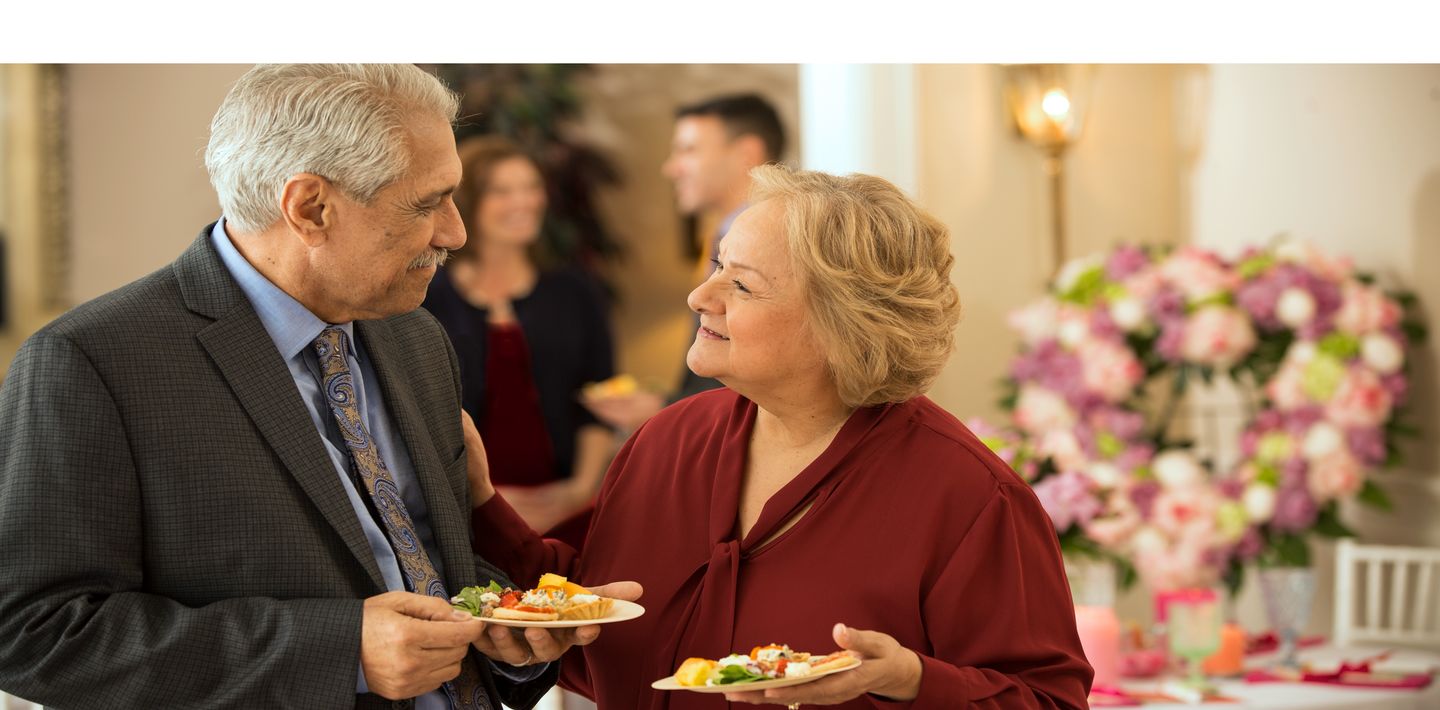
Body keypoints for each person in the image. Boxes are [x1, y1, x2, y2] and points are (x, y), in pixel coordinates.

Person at [0, 64, 635, 709]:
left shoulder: (416, 338)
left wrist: (515, 629)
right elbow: (31, 632)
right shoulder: (92, 362)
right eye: (426, 203)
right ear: (310, 207)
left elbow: (427, 560)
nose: (455, 232)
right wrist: (340, 652)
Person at [469, 165, 1094, 709]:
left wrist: (912, 682)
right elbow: (608, 624)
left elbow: (1048, 700)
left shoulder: (970, 497)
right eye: (717, 266)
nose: (698, 296)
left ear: (843, 327)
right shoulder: (667, 440)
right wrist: (480, 501)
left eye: (741, 284)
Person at [422, 136, 616, 536]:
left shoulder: (575, 291)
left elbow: (600, 396)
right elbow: (421, 414)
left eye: (531, 188)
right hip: (465, 511)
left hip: (569, 506)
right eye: (503, 191)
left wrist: (579, 490)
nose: (524, 202)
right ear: (470, 201)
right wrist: (482, 495)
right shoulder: (427, 297)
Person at [582, 93, 785, 432]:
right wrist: (667, 405)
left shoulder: (778, 250)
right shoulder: (720, 240)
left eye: (688, 150)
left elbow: (761, 381)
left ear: (747, 154)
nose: (671, 167)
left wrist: (665, 410)